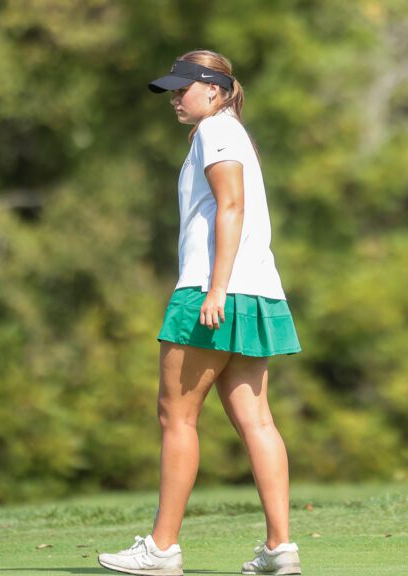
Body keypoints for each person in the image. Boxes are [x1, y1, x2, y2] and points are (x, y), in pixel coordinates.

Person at [97, 50, 302, 576]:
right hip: (255, 294)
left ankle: (162, 549)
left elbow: (231, 206)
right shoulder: (228, 132)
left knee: (177, 417)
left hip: (213, 291)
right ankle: (280, 548)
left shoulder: (217, 130)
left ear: (214, 89)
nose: (174, 98)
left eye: (182, 88)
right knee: (257, 420)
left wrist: (216, 290)